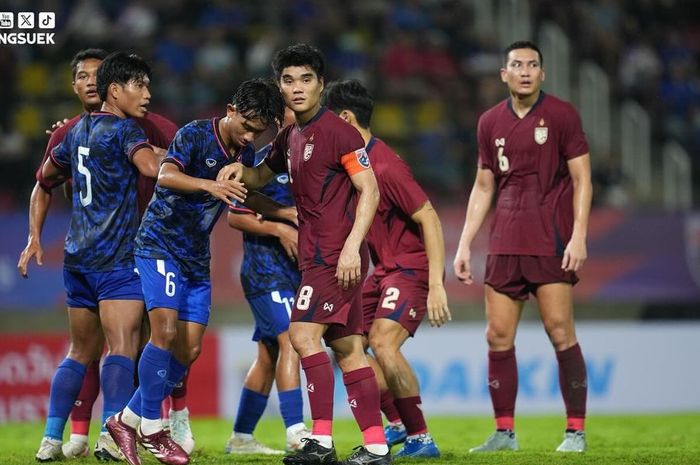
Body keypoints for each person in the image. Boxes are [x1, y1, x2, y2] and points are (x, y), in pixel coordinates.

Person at [217, 43, 389, 465]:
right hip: (317, 254)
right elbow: (261, 174)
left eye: (306, 79)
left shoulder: (339, 133)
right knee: (348, 348)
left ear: (320, 84)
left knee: (302, 335)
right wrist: (243, 172)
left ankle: (321, 441)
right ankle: (376, 445)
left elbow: (370, 188)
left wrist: (352, 246)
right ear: (280, 85)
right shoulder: (290, 136)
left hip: (335, 253)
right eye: (289, 80)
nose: (297, 88)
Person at [106, 78, 287, 465]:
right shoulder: (195, 135)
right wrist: (209, 185)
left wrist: (284, 212)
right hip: (159, 245)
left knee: (189, 348)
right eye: (248, 126)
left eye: (259, 131)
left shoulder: (246, 151)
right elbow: (164, 174)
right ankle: (153, 427)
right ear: (232, 110)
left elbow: (245, 195)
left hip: (194, 257)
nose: (251, 135)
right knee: (165, 333)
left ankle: (125, 420)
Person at [453, 40, 592, 454]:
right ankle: (504, 433)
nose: (526, 71)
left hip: (550, 239)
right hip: (504, 241)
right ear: (504, 74)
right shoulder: (489, 122)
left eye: (533, 65)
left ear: (542, 74)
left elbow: (583, 179)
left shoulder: (563, 115)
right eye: (517, 65)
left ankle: (575, 431)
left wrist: (579, 235)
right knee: (497, 336)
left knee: (560, 331)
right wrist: (464, 244)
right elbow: (483, 185)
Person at [34, 51, 165, 462]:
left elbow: (46, 178)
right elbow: (149, 167)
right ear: (115, 90)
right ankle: (110, 436)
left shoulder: (73, 132)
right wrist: (181, 159)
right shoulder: (127, 132)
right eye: (139, 86)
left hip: (77, 258)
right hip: (116, 259)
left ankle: (50, 440)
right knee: (122, 349)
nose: (146, 94)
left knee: (79, 351)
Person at [322, 79, 451, 459]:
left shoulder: (384, 164)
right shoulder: (353, 163)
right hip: (381, 271)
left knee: (381, 342)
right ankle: (395, 423)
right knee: (343, 340)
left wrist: (437, 284)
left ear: (345, 118)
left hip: (409, 269)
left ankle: (422, 437)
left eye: (330, 118)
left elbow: (429, 217)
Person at [224, 108, 311, 455]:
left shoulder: (310, 160)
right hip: (264, 271)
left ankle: (241, 437)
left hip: (295, 274)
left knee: (268, 356)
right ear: (279, 120)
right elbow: (235, 215)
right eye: (293, 110)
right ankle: (296, 433)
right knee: (291, 340)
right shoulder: (262, 166)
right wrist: (280, 228)